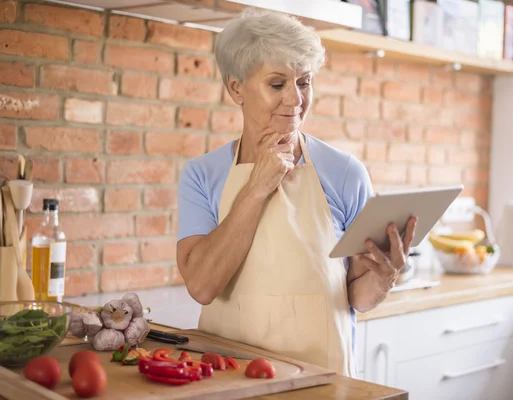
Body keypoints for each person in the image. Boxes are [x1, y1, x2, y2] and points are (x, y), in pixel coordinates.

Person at [176, 9, 417, 378]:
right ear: (236, 87)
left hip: (320, 379)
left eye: (304, 83)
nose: (295, 100)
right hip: (227, 378)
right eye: (277, 84)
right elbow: (202, 286)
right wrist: (257, 188)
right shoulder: (202, 175)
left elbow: (356, 297)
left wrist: (383, 278)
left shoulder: (345, 173)